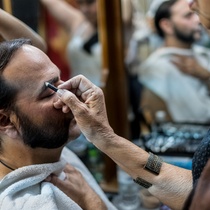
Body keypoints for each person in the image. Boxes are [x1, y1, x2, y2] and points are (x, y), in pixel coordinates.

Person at [41, 0, 210, 209]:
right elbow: (196, 189)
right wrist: (105, 137)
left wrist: (92, 202)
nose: (193, 4)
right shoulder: (79, 25)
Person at [0, 38, 117, 210]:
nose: (70, 95)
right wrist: (93, 203)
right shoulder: (31, 205)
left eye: (61, 81)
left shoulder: (50, 153)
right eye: (49, 93)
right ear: (6, 120)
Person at [138, 0, 210, 123]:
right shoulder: (156, 67)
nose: (197, 20)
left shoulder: (205, 55)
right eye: (188, 16)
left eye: (195, 13)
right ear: (167, 25)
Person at [39, 0, 102, 86]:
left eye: (90, 3)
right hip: (78, 93)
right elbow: (52, 3)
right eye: (80, 3)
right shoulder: (78, 21)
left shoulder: (121, 25)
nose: (85, 9)